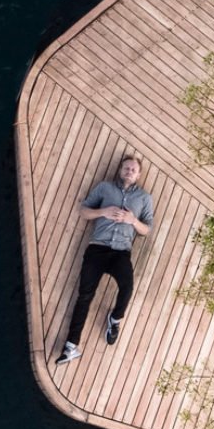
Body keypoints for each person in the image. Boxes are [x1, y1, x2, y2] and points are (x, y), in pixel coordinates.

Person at [57, 154, 153, 363]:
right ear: (120, 170)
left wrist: (132, 220)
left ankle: (115, 319)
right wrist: (103, 212)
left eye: (133, 170)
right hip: (97, 249)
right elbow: (83, 211)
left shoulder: (145, 198)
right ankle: (71, 346)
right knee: (84, 296)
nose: (129, 172)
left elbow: (147, 230)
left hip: (121, 252)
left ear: (138, 175)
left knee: (127, 288)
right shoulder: (104, 188)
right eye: (126, 168)